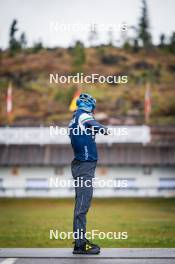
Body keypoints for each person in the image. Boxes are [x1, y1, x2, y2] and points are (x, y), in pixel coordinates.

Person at [68, 93, 109, 254]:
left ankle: (80, 242)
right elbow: (95, 125)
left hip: (81, 165)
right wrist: (104, 129)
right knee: (82, 206)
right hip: (85, 167)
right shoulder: (83, 116)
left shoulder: (74, 119)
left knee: (80, 205)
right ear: (90, 106)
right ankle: (80, 245)